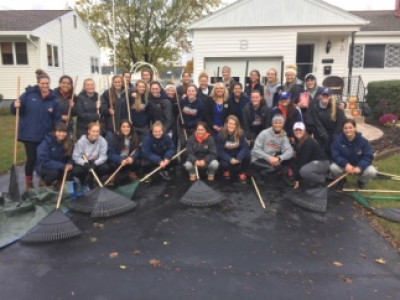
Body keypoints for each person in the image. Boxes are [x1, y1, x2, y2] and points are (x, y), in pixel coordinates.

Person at [10, 69, 61, 190]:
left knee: (45, 158)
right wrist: (14, 105)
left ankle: (45, 179)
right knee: (32, 159)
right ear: (38, 83)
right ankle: (29, 182)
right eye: (42, 83)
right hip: (30, 135)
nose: (45, 86)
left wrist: (56, 132)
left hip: (46, 135)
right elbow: (17, 109)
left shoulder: (53, 99)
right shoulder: (28, 95)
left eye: (47, 83)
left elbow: (57, 118)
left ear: (49, 83)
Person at [330, 119, 377, 189]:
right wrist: (345, 164)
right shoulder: (337, 140)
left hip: (358, 167)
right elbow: (335, 155)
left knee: (372, 171)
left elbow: (368, 156)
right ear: (342, 129)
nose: (348, 130)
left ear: (355, 128)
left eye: (350, 127)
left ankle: (361, 181)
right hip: (344, 166)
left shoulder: (363, 141)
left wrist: (360, 167)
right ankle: (342, 180)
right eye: (345, 128)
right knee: (333, 167)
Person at [250, 115, 294, 185]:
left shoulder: (283, 136)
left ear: (283, 124)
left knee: (285, 162)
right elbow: (255, 150)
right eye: (276, 123)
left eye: (280, 123)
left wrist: (279, 158)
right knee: (272, 169)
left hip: (272, 158)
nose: (278, 125)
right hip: (257, 158)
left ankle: (285, 177)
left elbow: (290, 152)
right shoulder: (264, 133)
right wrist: (269, 158)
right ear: (272, 123)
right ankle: (256, 174)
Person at [308, 87, 345, 157]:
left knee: (334, 146)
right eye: (323, 95)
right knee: (320, 148)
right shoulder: (315, 108)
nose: (325, 97)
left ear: (330, 96)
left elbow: (340, 123)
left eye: (327, 95)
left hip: (334, 133)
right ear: (320, 96)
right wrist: (325, 137)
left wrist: (335, 135)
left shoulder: (337, 107)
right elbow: (318, 124)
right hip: (321, 133)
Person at [291, 122, 330, 189]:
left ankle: (321, 179)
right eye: (296, 130)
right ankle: (314, 180)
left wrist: (296, 179)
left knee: (303, 171)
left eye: (300, 130)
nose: (298, 132)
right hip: (313, 163)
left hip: (322, 163)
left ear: (304, 131)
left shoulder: (308, 142)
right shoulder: (299, 142)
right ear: (293, 131)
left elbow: (303, 161)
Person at [72, 122, 109, 189]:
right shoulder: (81, 142)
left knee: (105, 168)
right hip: (85, 163)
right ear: (89, 131)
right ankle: (83, 182)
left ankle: (98, 182)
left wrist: (95, 163)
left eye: (97, 131)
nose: (96, 133)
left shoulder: (103, 141)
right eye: (93, 131)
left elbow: (103, 156)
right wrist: (84, 163)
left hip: (96, 162)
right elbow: (76, 156)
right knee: (76, 171)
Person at [36, 123, 73, 188]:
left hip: (61, 166)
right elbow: (44, 160)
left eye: (64, 132)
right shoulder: (46, 142)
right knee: (54, 173)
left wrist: (70, 164)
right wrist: (62, 166)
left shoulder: (68, 142)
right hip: (45, 167)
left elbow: (71, 157)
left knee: (70, 173)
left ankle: (60, 183)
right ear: (55, 132)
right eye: (59, 131)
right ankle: (45, 182)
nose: (61, 134)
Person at [216, 115, 250, 182]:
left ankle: (242, 173)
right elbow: (220, 151)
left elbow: (245, 147)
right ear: (226, 124)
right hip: (227, 155)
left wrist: (239, 158)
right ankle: (226, 171)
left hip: (237, 155)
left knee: (247, 156)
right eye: (230, 123)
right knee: (223, 164)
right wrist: (230, 159)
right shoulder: (221, 134)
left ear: (237, 125)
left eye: (234, 124)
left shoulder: (241, 133)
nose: (231, 126)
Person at [107, 120, 141, 185]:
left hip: (128, 158)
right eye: (123, 127)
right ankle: (114, 175)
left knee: (138, 161)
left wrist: (132, 158)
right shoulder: (114, 137)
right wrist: (120, 160)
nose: (126, 129)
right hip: (119, 159)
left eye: (128, 127)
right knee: (111, 163)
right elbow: (111, 153)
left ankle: (132, 174)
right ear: (120, 128)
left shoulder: (135, 137)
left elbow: (137, 150)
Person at [101, 75, 132, 139]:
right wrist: (108, 110)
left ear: (122, 82)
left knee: (122, 143)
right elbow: (102, 107)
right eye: (115, 82)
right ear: (113, 83)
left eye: (119, 82)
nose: (117, 84)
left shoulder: (127, 92)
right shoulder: (107, 93)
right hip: (111, 124)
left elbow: (131, 105)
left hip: (124, 123)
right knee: (111, 142)